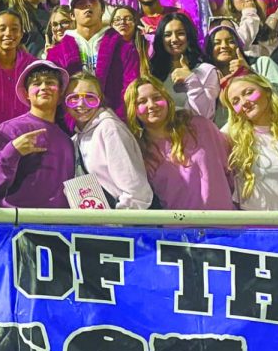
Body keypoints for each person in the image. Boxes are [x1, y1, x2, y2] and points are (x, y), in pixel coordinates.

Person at [126, 77, 233, 210]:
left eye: (156, 97)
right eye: (142, 102)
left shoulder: (200, 126)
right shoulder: (139, 151)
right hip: (179, 227)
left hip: (224, 223)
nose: (151, 105)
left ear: (167, 99)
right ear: (133, 110)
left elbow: (231, 169)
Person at [0, 60, 74, 208]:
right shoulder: (10, 129)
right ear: (26, 94)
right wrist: (13, 150)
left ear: (60, 93)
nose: (44, 87)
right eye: (36, 83)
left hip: (59, 226)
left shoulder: (67, 140)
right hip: (19, 225)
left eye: (50, 82)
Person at [221, 73, 278, 210]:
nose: (244, 102)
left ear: (267, 91)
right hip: (254, 225)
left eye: (248, 92)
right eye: (235, 101)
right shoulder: (231, 134)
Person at [46, 0, 140, 116]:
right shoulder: (56, 53)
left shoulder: (125, 48)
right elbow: (55, 93)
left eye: (93, 1)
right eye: (81, 3)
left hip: (114, 121)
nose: (88, 5)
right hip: (72, 127)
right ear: (72, 15)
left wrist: (117, 119)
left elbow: (131, 87)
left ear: (102, 9)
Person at [65, 74, 152, 209]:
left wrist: (117, 224)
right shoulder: (75, 140)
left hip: (118, 224)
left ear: (100, 100)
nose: (81, 104)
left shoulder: (110, 129)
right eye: (73, 98)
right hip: (96, 225)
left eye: (90, 97)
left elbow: (137, 191)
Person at [149, 12, 221, 120]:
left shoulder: (207, 70)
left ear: (189, 36)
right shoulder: (154, 73)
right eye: (167, 35)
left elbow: (204, 115)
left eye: (180, 33)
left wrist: (191, 79)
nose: (174, 39)